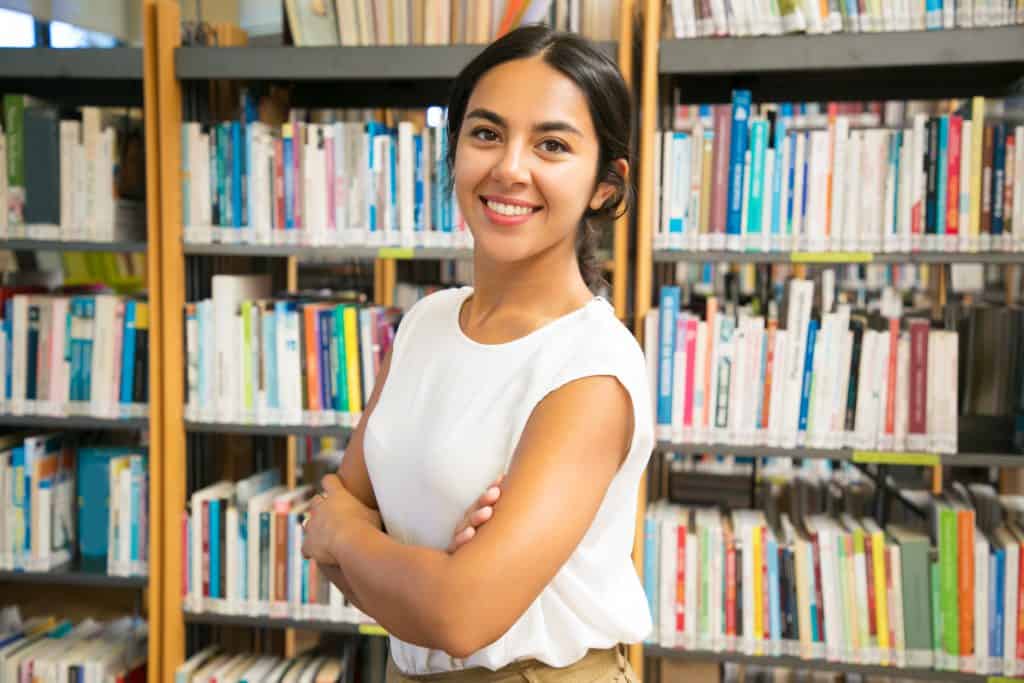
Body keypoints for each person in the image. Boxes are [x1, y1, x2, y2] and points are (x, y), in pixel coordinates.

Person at [300, 24, 654, 682]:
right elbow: (339, 531)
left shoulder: (592, 366)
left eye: (552, 144)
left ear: (606, 183)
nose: (509, 168)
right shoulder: (427, 323)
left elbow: (460, 616)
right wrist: (425, 583)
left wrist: (350, 536)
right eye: (486, 133)